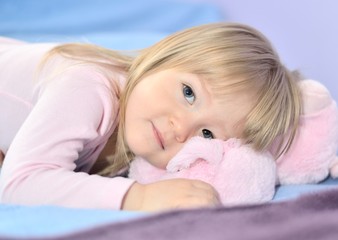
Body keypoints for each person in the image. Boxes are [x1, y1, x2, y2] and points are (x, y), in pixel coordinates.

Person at [0, 23, 302, 211]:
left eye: (207, 134)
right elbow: (19, 183)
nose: (181, 129)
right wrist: (138, 198)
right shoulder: (87, 88)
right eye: (188, 93)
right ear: (164, 54)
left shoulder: (141, 127)